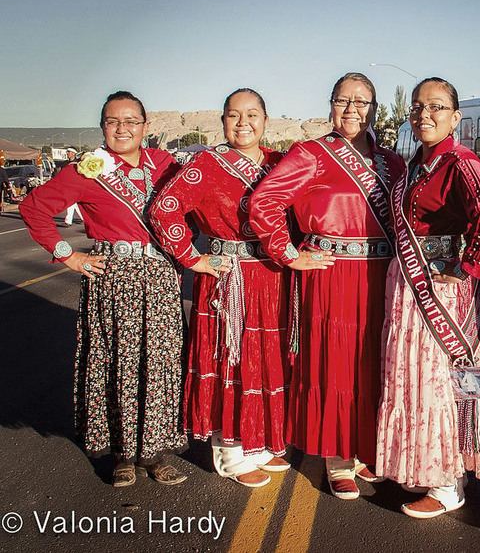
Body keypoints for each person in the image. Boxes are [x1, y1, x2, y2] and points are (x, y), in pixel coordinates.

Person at [20, 90, 188, 488]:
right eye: (113, 121)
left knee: (159, 364)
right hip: (114, 280)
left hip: (160, 278)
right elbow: (33, 208)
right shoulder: (88, 169)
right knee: (118, 366)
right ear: (103, 128)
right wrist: (69, 256)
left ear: (146, 127)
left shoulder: (164, 164)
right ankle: (122, 453)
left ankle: (155, 450)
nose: (123, 128)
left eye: (131, 121)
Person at [250, 72, 406, 499]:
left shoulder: (392, 162)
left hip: (383, 275)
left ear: (375, 109)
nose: (352, 109)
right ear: (330, 105)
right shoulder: (310, 154)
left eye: (363, 102)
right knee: (338, 362)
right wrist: (288, 252)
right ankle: (338, 458)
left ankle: (366, 448)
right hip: (332, 274)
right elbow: (264, 201)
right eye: (343, 100)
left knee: (376, 361)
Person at [376, 77, 480, 518]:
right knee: (413, 377)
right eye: (416, 107)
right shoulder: (419, 162)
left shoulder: (460, 161)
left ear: (455, 117)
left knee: (436, 380)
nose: (423, 115)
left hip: (440, 290)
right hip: (411, 284)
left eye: (434, 106)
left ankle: (448, 482)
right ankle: (427, 467)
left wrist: (468, 266)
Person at [150, 88, 290, 488]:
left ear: (266, 119)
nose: (243, 123)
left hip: (271, 275)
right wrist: (192, 258)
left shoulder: (278, 163)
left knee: (266, 359)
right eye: (233, 115)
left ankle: (258, 443)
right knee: (231, 358)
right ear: (222, 121)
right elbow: (164, 207)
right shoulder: (206, 163)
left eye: (252, 114)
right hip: (228, 277)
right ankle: (230, 452)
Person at [62, 148, 84, 226]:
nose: (67, 153)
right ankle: (83, 218)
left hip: (76, 185)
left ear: (73, 153)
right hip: (67, 185)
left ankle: (68, 221)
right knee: (74, 203)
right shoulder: (65, 163)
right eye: (67, 152)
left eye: (69, 152)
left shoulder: (78, 163)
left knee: (71, 202)